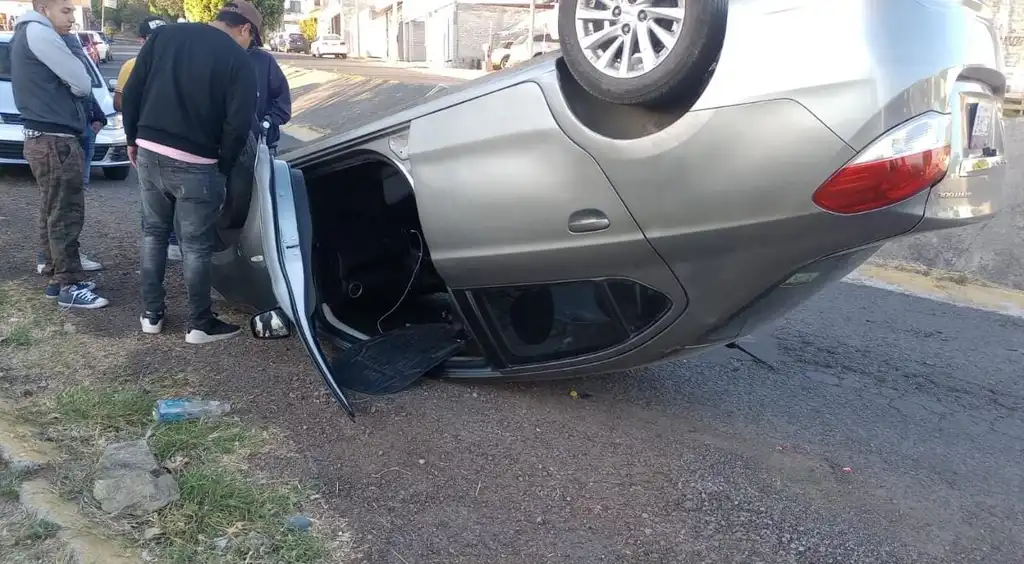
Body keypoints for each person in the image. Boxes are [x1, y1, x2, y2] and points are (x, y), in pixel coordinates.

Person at [121, 1, 258, 344]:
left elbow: (133, 90)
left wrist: (132, 138)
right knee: (195, 246)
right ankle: (199, 323)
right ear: (245, 29)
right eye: (252, 40)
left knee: (153, 233)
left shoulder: (164, 36)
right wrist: (223, 166)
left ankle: (151, 315)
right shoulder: (238, 59)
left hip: (150, 149)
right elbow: (238, 124)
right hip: (198, 162)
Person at [11, 0, 109, 308]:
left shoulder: (25, 33)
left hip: (43, 138)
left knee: (52, 208)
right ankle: (69, 285)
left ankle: (58, 277)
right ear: (43, 9)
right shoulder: (41, 33)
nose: (72, 18)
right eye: (65, 11)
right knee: (65, 213)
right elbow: (82, 83)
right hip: (56, 140)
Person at [113, 16, 182, 260]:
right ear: (141, 40)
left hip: (157, 140)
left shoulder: (176, 64)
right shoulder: (133, 66)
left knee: (161, 195)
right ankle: (162, 243)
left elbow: (120, 103)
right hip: (156, 139)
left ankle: (162, 244)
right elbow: (119, 102)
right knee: (162, 194)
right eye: (153, 38)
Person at [62, 32, 105, 188]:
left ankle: (80, 187)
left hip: (85, 125)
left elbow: (89, 95)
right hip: (61, 128)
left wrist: (99, 119)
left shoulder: (81, 68)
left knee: (83, 166)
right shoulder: (48, 72)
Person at [247, 40, 290, 155]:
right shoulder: (219, 58)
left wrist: (268, 120)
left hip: (264, 145)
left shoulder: (265, 60)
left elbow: (283, 102)